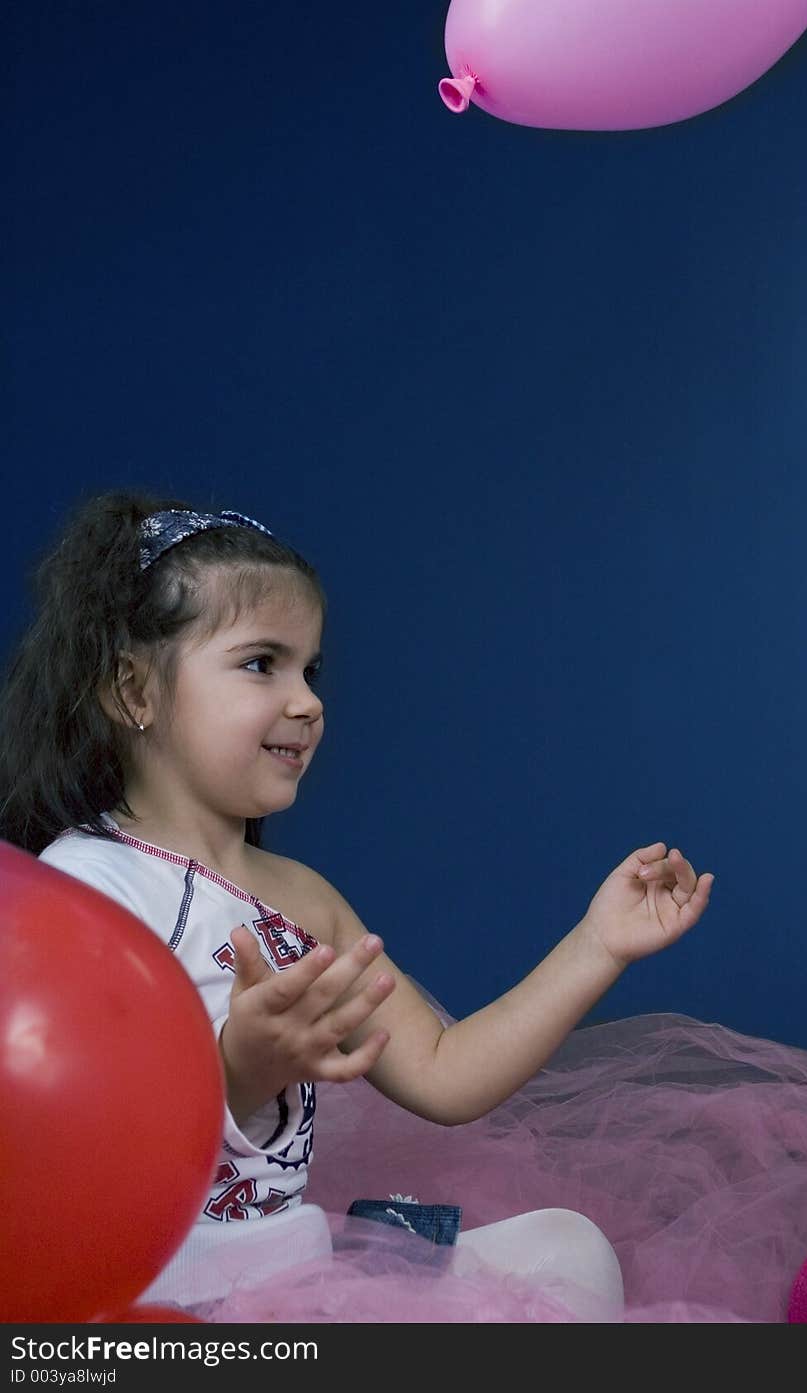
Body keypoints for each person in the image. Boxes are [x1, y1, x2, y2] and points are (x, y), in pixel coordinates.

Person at [0, 489, 715, 1321]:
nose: (308, 701)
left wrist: (599, 942)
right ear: (134, 690)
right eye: (262, 662)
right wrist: (239, 1071)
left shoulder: (306, 899)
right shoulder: (88, 884)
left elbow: (446, 1073)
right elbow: (75, 1144)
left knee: (569, 1251)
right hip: (172, 1286)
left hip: (294, 1261)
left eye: (312, 669)